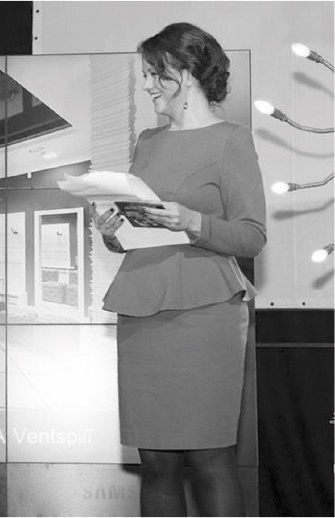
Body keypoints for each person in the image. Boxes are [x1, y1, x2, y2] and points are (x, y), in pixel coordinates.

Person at [93, 23, 266, 516]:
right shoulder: (147, 141)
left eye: (155, 74)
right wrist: (111, 229)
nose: (147, 85)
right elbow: (135, 233)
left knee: (211, 458)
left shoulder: (232, 140)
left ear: (186, 74)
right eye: (146, 75)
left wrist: (193, 222)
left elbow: (252, 235)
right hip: (141, 310)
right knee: (156, 463)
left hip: (204, 315)